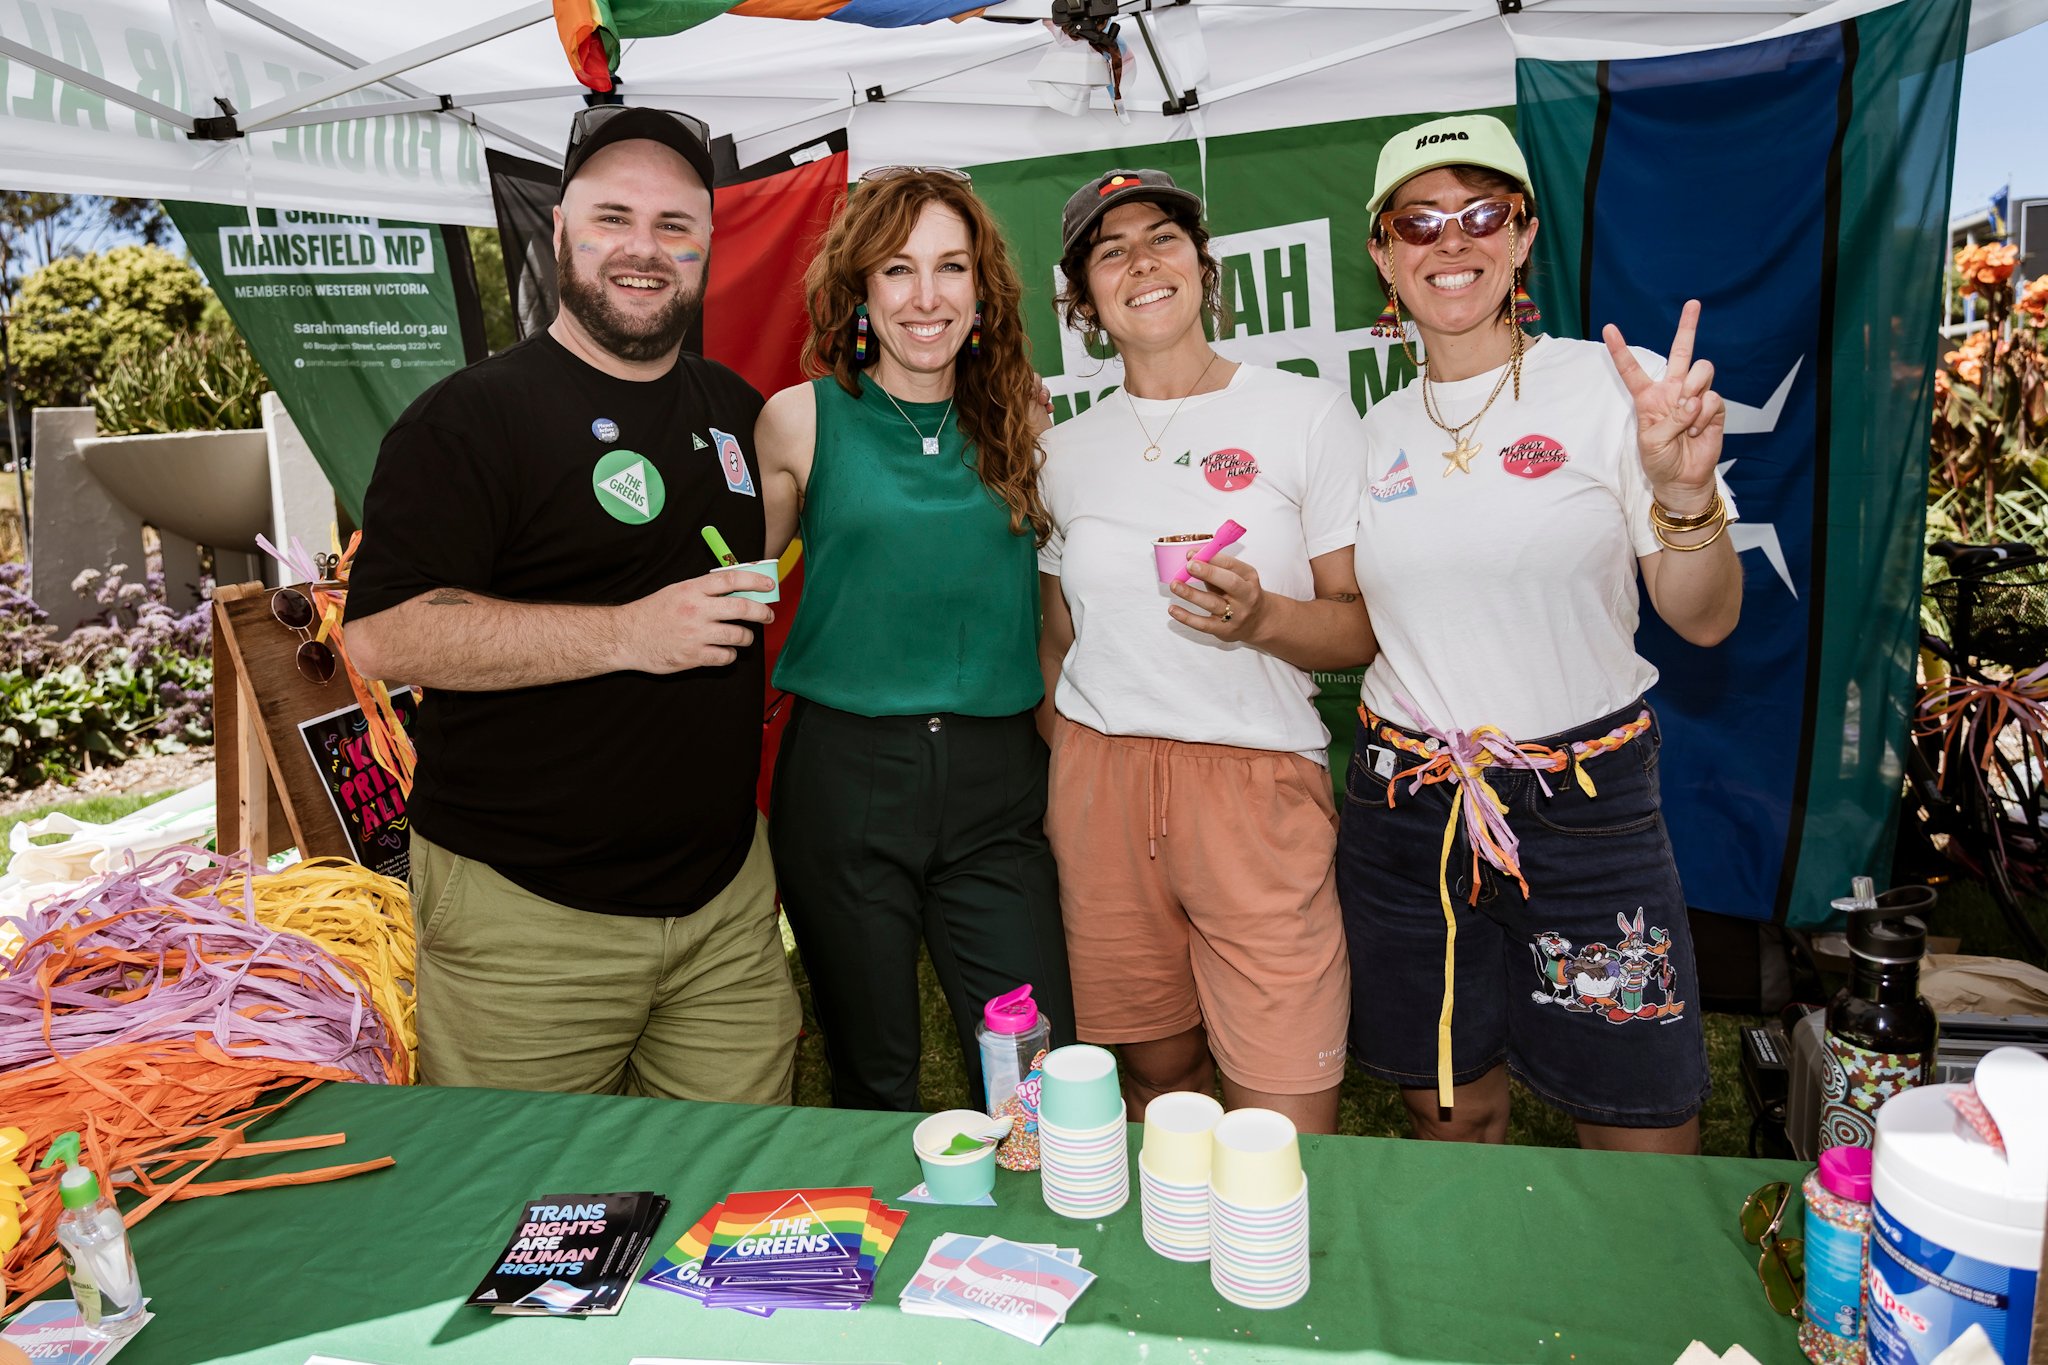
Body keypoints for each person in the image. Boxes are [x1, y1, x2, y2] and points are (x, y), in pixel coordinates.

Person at [344, 106, 801, 1104]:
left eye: (676, 226)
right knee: (529, 1217)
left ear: (707, 248)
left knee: (744, 1205)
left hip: (721, 908)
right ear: (559, 231)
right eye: (613, 218)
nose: (645, 249)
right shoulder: (470, 418)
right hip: (529, 920)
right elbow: (383, 634)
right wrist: (632, 633)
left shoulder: (731, 407)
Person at [1341, 113, 1743, 1154]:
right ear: (1381, 255)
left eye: (1481, 214)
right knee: (1448, 1106)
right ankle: (1473, 1310)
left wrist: (1683, 493)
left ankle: (1636, 1316)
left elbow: (1703, 619)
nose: (1451, 242)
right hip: (1408, 807)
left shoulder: (1615, 390)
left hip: (1585, 810)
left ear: (1521, 237)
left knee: (1638, 1127)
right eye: (1417, 222)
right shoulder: (1375, 428)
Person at [1036, 169, 1374, 1135]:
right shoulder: (1064, 450)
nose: (1141, 262)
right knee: (1157, 1085)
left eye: (1163, 239)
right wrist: (1077, 765)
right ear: (1084, 302)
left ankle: (1281, 1270)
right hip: (1103, 784)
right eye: (1111, 251)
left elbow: (1359, 624)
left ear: (1203, 267)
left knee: (1286, 1112)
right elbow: (1058, 637)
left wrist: (1264, 618)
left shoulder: (1302, 413)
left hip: (1256, 781)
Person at [754, 167, 1075, 1113]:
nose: (926, 297)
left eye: (950, 268)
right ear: (860, 290)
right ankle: (885, 1256)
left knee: (1037, 1071)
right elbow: (729, 586)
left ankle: (1036, 1253)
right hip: (846, 781)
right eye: (897, 270)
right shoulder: (799, 420)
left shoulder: (1026, 417)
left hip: (997, 787)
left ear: (982, 291)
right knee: (875, 1072)